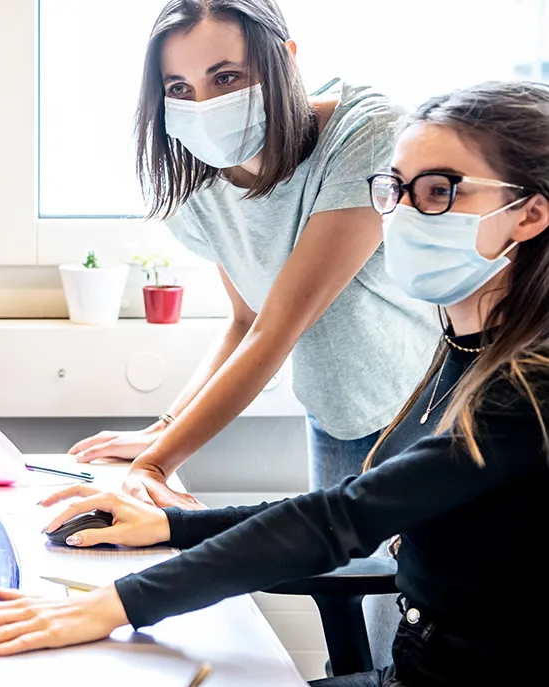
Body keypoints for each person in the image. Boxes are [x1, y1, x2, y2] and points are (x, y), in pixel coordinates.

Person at [0, 80, 549, 687]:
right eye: (396, 189)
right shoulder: (467, 346)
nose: (406, 214)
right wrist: (170, 527)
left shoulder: (530, 388)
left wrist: (108, 606)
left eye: (440, 191)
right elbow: (358, 503)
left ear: (530, 212)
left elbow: (341, 518)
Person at [69, 0, 439, 501]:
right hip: (336, 413)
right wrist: (163, 427)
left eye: (225, 78)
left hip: (425, 407)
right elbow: (246, 319)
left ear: (284, 60)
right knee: (332, 573)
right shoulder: (200, 181)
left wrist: (156, 465)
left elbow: (278, 327)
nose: (202, 106)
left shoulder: (367, 136)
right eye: (180, 88)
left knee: (411, 575)